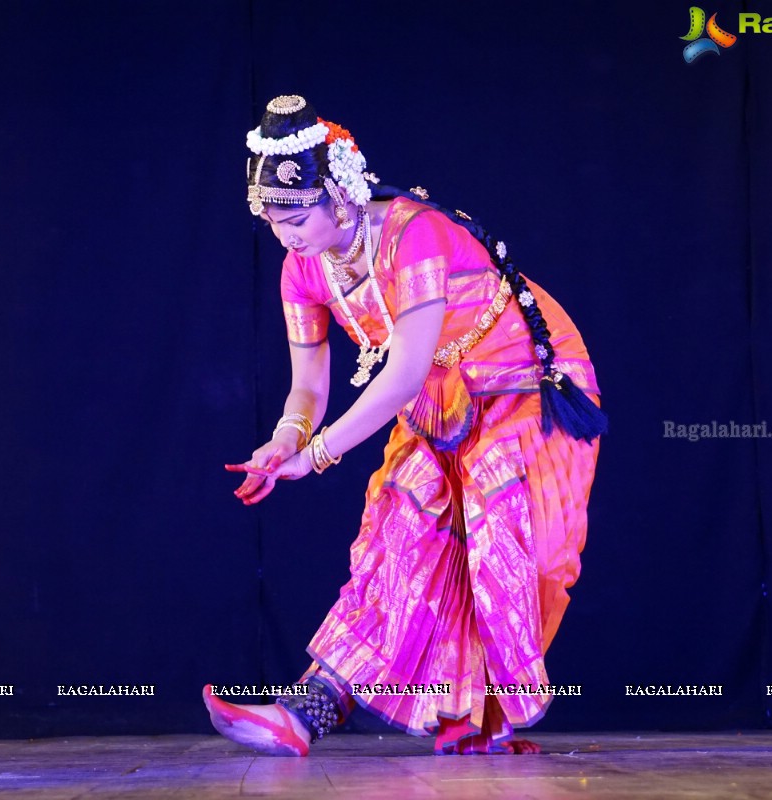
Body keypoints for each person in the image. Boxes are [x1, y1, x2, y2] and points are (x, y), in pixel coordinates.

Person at [204, 95, 606, 756]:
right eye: (272, 222)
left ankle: (484, 713)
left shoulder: (412, 235)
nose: (287, 236)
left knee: (502, 528)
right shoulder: (302, 269)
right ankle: (305, 713)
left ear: (339, 195)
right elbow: (308, 385)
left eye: (297, 217)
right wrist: (284, 441)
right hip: (441, 402)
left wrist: (321, 454)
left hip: (524, 383)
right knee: (399, 535)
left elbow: (406, 370)